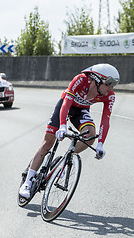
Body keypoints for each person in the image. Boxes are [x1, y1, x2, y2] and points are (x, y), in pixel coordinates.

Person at [19, 63, 120, 198]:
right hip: (66, 105)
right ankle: (28, 182)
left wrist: (101, 143)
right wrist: (62, 126)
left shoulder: (110, 96)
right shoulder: (81, 79)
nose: (111, 88)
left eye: (114, 84)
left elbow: (105, 120)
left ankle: (66, 158)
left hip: (81, 110)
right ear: (97, 79)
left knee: (90, 137)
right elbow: (66, 103)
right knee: (47, 143)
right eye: (109, 83)